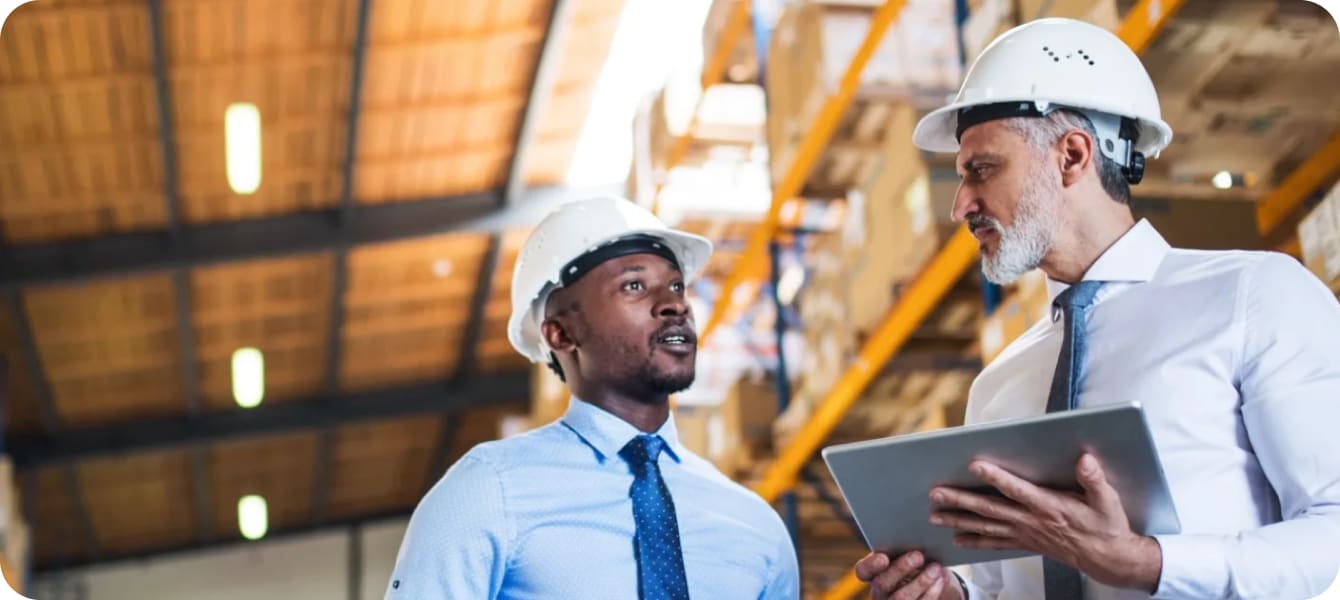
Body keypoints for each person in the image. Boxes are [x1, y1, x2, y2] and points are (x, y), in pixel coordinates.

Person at [853, 17, 1340, 600]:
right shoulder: (999, 386)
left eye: (981, 169)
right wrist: (949, 594)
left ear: (1073, 155)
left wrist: (1146, 562)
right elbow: (997, 585)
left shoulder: (1253, 296)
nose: (961, 207)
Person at [384, 196, 799, 599]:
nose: (675, 304)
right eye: (634, 285)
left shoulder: (755, 527)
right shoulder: (488, 492)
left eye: (676, 285)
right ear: (561, 333)